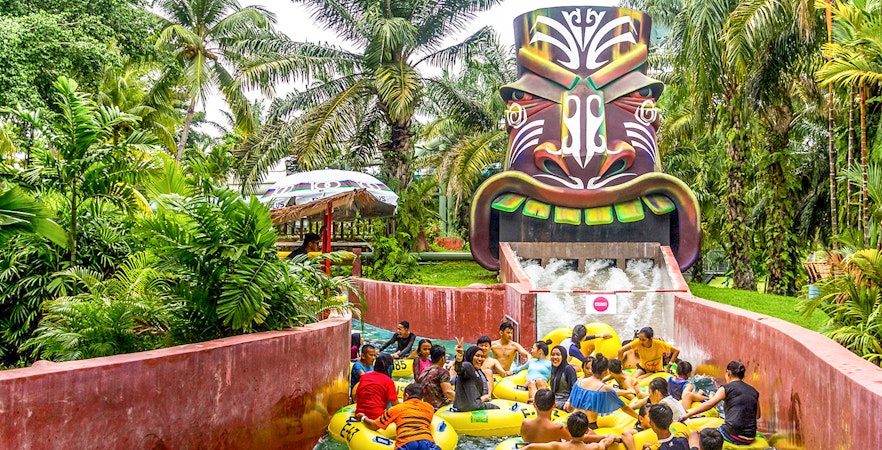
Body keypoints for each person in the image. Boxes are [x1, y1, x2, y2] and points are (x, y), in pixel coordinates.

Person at [680, 361, 760, 446]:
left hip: (732, 434)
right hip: (750, 437)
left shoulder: (726, 388)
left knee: (695, 435)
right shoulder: (754, 391)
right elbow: (757, 415)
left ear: (728, 373)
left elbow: (709, 404)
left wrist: (687, 415)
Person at [356, 383, 441, 450]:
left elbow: (373, 426)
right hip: (426, 441)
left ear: (406, 396)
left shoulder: (396, 409)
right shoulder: (429, 408)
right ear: (421, 398)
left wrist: (363, 417)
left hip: (406, 443)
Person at [565, 354, 639, 429]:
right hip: (588, 425)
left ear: (592, 368)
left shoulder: (579, 382)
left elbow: (570, 407)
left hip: (572, 421)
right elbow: (624, 407)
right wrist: (639, 418)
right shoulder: (604, 388)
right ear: (606, 371)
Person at [522, 411, 619, 449]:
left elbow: (532, 446)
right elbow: (606, 442)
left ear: (567, 429)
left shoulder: (558, 446)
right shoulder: (593, 447)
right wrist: (612, 437)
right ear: (586, 430)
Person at [453, 340, 499, 411]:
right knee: (498, 409)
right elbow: (458, 369)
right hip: (470, 407)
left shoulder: (478, 371)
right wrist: (459, 356)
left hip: (476, 404)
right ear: (470, 356)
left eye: (482, 356)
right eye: (477, 356)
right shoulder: (467, 366)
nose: (480, 359)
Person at [354, 353, 400, 419]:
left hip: (359, 413)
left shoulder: (364, 377)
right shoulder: (388, 381)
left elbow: (356, 397)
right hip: (377, 417)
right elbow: (395, 405)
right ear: (389, 367)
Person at [416, 345, 455, 409]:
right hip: (441, 406)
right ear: (443, 358)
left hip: (427, 406)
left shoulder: (423, 372)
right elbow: (448, 392)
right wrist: (462, 400)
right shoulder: (442, 372)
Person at [549, 345, 579, 410]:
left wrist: (568, 402)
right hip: (554, 400)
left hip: (565, 402)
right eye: (553, 355)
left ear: (563, 356)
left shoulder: (568, 369)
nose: (555, 357)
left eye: (558, 355)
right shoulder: (553, 369)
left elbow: (575, 389)